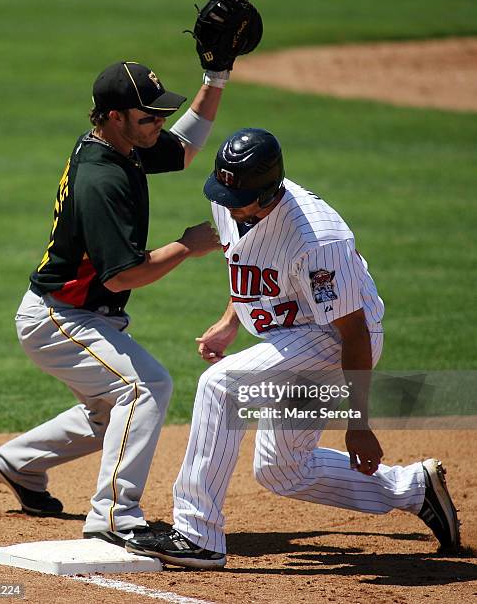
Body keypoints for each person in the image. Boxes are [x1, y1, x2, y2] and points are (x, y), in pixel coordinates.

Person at [126, 128, 460, 568]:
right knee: (283, 470)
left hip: (333, 344)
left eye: (237, 195)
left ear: (267, 194)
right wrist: (230, 322)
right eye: (221, 189)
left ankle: (197, 535)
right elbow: (249, 262)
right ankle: (414, 488)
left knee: (219, 386)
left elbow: (355, 331)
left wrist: (357, 421)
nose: (225, 201)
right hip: (294, 338)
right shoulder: (231, 197)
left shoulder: (316, 241)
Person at [0, 54, 245, 546]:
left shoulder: (124, 145)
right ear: (113, 117)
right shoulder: (101, 178)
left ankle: (18, 463)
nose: (159, 125)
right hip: (59, 319)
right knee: (145, 387)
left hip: (75, 314)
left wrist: (215, 79)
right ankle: (113, 517)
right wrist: (189, 244)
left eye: (159, 114)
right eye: (148, 117)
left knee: (110, 413)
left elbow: (186, 147)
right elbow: (125, 276)